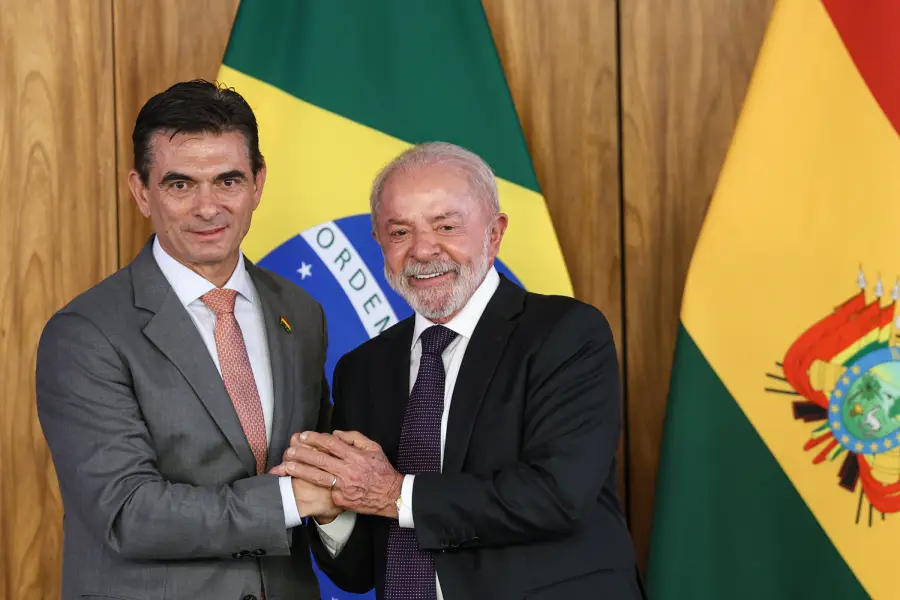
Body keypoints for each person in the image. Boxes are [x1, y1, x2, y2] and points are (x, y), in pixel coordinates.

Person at [274, 142, 646, 599]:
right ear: (378, 242)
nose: (422, 249)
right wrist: (332, 508)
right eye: (399, 232)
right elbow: (361, 571)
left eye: (446, 226)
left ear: (495, 233)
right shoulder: (363, 369)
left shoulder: (565, 334)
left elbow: (556, 497)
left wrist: (394, 492)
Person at [35, 80, 339, 600]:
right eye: (180, 185)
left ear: (258, 183)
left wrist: (337, 498)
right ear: (141, 192)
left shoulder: (301, 313)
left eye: (228, 181)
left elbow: (318, 470)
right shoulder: (85, 334)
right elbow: (129, 512)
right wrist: (291, 499)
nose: (207, 208)